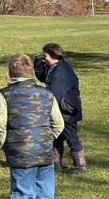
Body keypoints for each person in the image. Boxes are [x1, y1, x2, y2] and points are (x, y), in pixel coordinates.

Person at [0, 53, 64, 199]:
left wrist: (5, 143)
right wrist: (48, 139)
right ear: (33, 72)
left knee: (21, 195)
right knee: (45, 195)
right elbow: (58, 123)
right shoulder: (47, 93)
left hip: (19, 154)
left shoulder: (5, 94)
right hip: (44, 152)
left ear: (10, 74)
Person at [34, 43, 87, 173]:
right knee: (57, 136)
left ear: (53, 55)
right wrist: (37, 65)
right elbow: (43, 78)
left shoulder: (62, 72)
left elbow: (55, 93)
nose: (43, 57)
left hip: (67, 110)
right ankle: (55, 163)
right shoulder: (55, 67)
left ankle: (81, 166)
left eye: (45, 55)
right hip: (60, 108)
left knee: (71, 136)